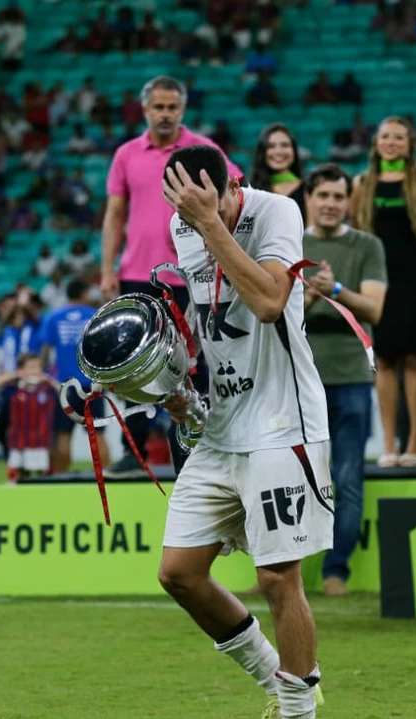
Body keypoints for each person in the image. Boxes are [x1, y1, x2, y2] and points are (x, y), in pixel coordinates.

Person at [159, 145, 331, 719]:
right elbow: (207, 319)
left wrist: (211, 223)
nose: (193, 216)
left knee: (278, 578)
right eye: (183, 208)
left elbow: (268, 301)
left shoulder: (277, 211)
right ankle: (279, 685)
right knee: (179, 574)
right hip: (222, 425)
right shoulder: (184, 223)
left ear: (235, 184)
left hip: (284, 425)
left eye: (208, 202)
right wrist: (175, 387)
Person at [99, 75, 239, 478]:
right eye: (158, 107)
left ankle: (204, 441)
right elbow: (114, 215)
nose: (165, 114)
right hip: (137, 272)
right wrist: (107, 269)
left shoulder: (203, 151)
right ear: (145, 109)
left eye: (172, 107)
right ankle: (134, 450)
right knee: (133, 363)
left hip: (191, 273)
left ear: (183, 109)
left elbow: (235, 191)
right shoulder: (126, 154)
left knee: (198, 362)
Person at [300, 163, 387, 596]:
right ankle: (281, 572)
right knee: (288, 479)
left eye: (338, 196)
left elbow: (374, 310)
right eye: (323, 195)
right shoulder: (289, 242)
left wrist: (335, 291)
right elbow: (270, 310)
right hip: (298, 380)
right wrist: (306, 295)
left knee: (348, 478)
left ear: (348, 201)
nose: (331, 204)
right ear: (309, 199)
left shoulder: (367, 245)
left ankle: (337, 570)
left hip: (352, 377)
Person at [351, 116, 416, 467]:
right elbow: (356, 233)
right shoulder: (362, 183)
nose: (391, 142)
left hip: (415, 281)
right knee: (384, 360)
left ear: (410, 145)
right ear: (375, 143)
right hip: (377, 283)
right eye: (385, 136)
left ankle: (414, 443)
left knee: (414, 358)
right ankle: (389, 444)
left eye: (398, 137)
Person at [36, 278, 109, 474]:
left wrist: (43, 377)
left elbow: (44, 352)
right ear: (83, 293)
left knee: (63, 434)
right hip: (93, 384)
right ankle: (108, 475)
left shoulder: (53, 317)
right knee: (98, 433)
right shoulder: (95, 315)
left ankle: (61, 477)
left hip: (65, 386)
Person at [0, 352, 57, 482]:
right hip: (18, 441)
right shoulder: (14, 388)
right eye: (31, 367)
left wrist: (48, 379)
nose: (35, 371)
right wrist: (16, 375)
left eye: (38, 367)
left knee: (42, 474)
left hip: (40, 441)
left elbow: (65, 393)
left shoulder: (46, 389)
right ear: (21, 370)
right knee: (15, 473)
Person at [0, 291, 38, 458]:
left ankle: (24, 463)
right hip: (10, 387)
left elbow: (34, 316)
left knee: (24, 428)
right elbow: (6, 318)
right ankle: (13, 462)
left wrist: (23, 304)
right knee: (1, 429)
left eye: (21, 314)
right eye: (15, 315)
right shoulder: (9, 330)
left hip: (28, 385)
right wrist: (17, 303)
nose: (18, 318)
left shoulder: (33, 329)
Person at [249, 123, 306, 223]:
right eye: (271, 146)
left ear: (294, 150)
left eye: (285, 145)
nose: (278, 151)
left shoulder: (308, 189)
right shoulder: (250, 191)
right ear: (262, 152)